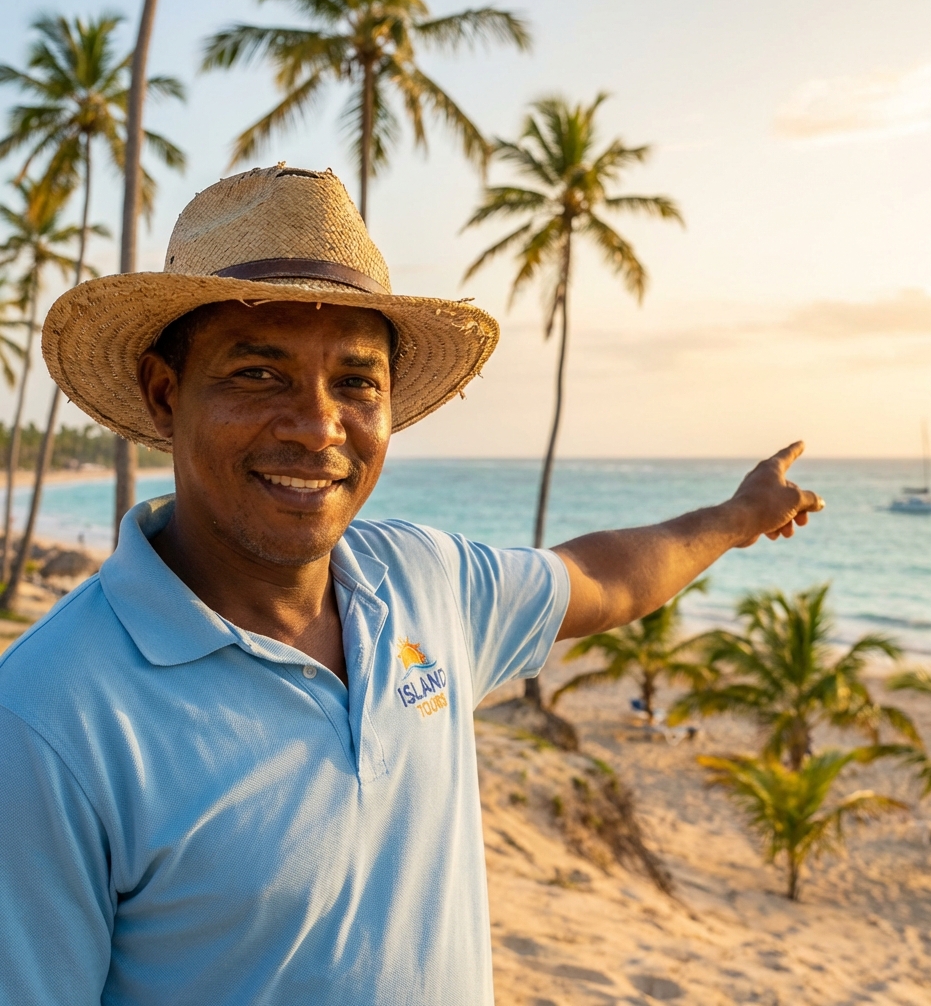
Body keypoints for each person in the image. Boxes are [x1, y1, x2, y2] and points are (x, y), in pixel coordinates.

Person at [0, 165, 823, 1005]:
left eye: (356, 383)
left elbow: (602, 578)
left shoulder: (425, 584)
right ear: (165, 394)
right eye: (258, 374)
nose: (318, 427)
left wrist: (737, 517)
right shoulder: (46, 717)